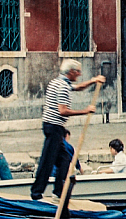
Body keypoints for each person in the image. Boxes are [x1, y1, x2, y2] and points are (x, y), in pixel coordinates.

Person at [30, 60, 104, 201]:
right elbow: (63, 111)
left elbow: (78, 88)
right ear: (71, 72)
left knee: (65, 160)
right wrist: (85, 111)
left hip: (53, 126)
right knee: (47, 161)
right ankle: (36, 194)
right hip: (54, 127)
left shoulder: (59, 82)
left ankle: (58, 193)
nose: (79, 74)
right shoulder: (62, 86)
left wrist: (93, 81)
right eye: (78, 71)